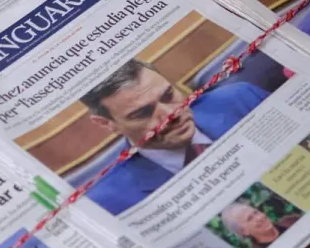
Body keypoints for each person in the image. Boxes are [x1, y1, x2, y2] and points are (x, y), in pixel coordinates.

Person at [81, 60, 269, 215]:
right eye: (143, 113)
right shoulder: (108, 203)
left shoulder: (241, 98)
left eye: (168, 95)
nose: (172, 114)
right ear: (107, 124)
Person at [219, 201, 298, 248]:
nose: (260, 217)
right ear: (244, 231)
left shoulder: (292, 220)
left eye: (256, 212)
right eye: (250, 218)